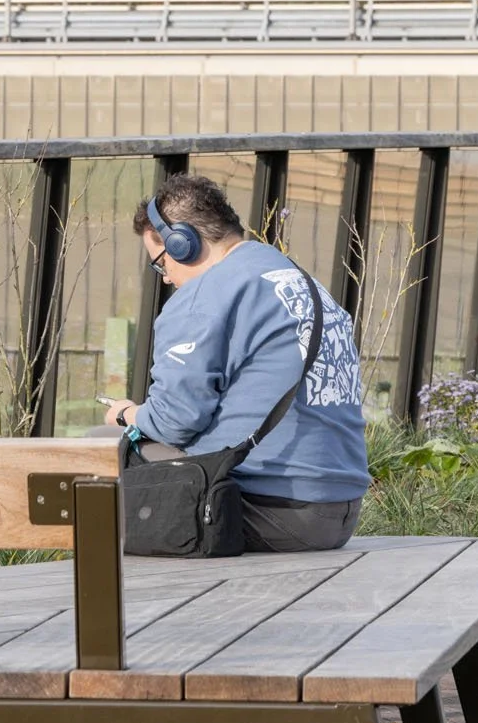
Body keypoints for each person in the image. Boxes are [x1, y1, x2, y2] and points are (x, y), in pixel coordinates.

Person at [103, 174, 369, 551]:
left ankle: (94, 598)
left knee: (97, 449)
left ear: (183, 244)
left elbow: (173, 423)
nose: (165, 279)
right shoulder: (298, 278)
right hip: (338, 512)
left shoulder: (206, 295)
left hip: (264, 509)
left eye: (161, 263)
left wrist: (126, 415)